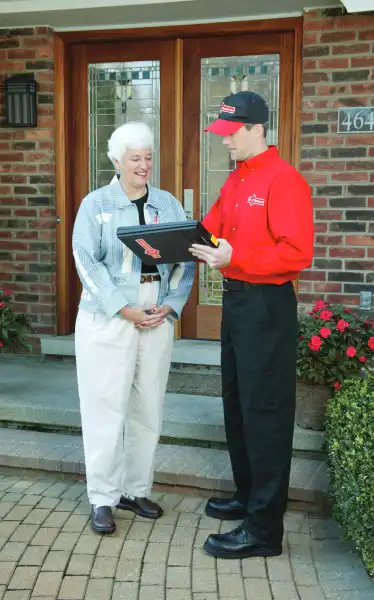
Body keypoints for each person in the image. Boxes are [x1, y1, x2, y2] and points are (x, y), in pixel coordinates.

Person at [190, 91, 314, 559]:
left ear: (258, 129)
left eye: (232, 133)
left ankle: (264, 531)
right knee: (238, 404)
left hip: (267, 306)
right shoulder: (236, 181)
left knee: (265, 413)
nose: (226, 142)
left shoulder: (285, 181)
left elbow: (297, 253)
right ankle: (249, 496)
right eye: (222, 134)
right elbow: (209, 227)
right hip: (238, 303)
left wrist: (234, 256)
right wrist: (176, 240)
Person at [73, 121, 194, 534]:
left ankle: (136, 488)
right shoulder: (96, 205)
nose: (144, 166)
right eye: (135, 158)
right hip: (108, 319)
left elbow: (186, 259)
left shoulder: (167, 203)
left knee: (148, 409)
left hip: (156, 317)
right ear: (116, 160)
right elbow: (86, 263)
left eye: (148, 157)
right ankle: (103, 497)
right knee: (105, 409)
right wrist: (122, 308)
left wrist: (171, 305)